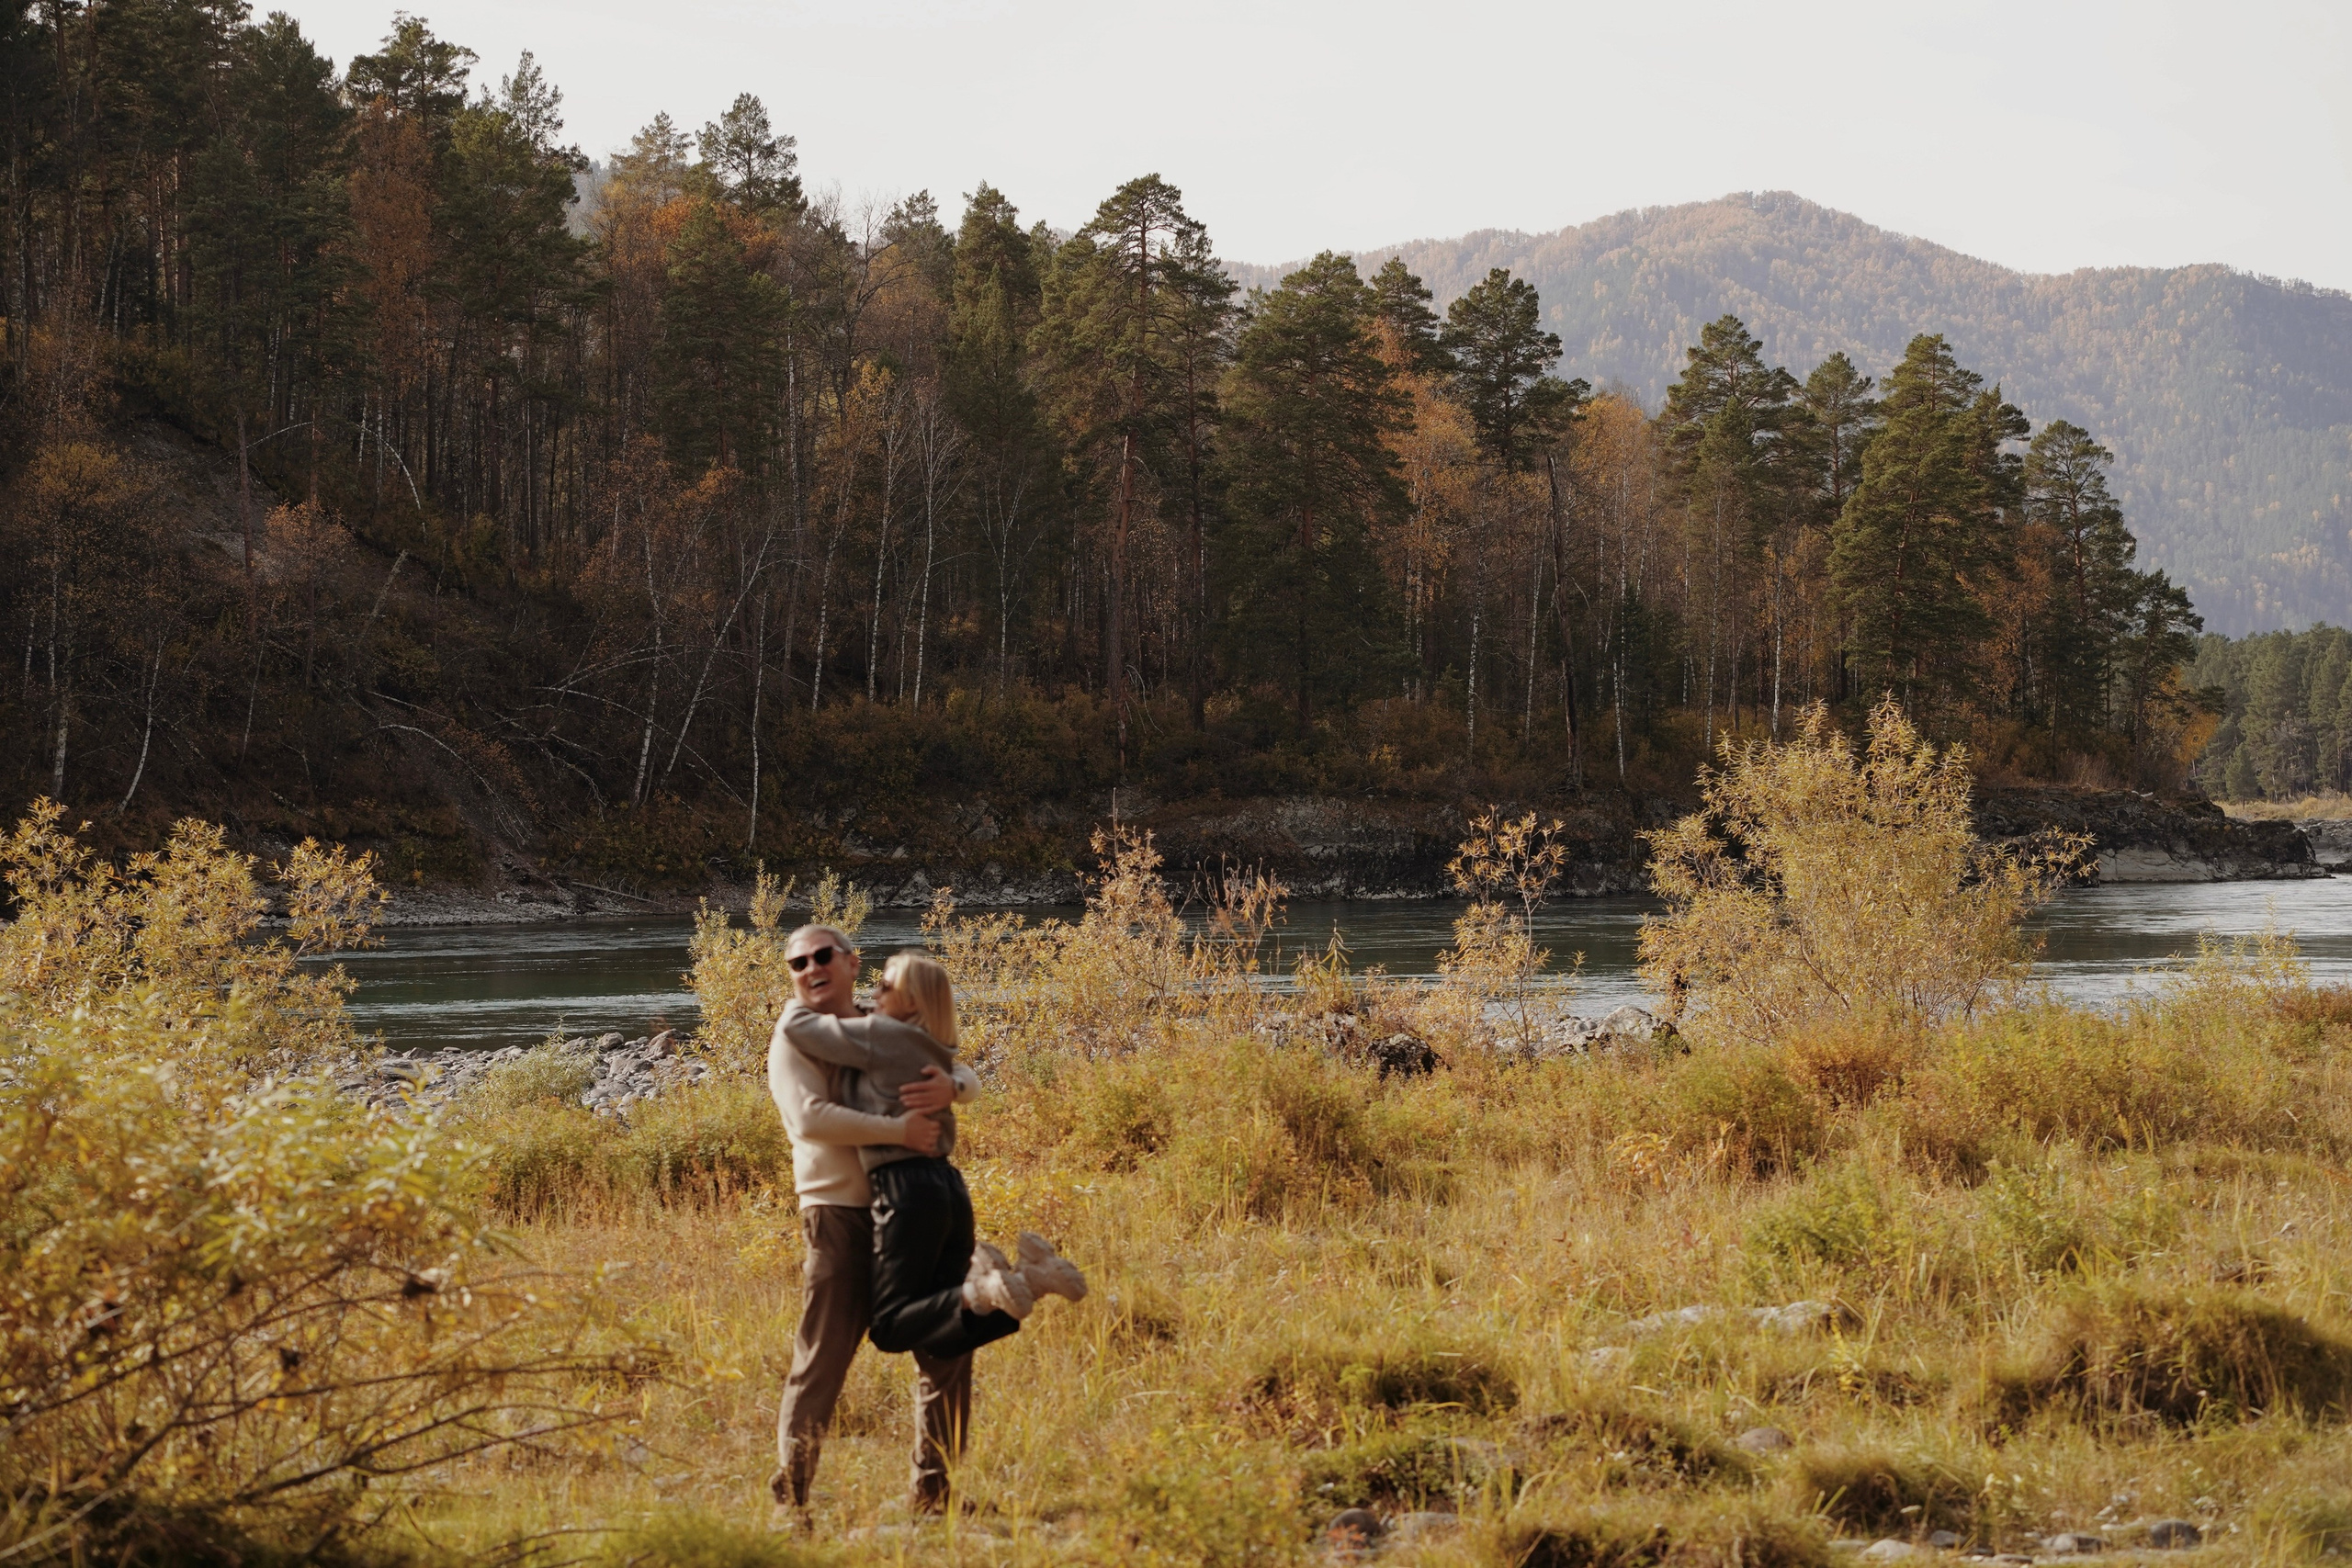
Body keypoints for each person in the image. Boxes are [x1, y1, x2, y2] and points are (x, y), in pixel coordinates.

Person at [765, 923, 975, 1520]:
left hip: (912, 1208)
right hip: (838, 1216)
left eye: (822, 954)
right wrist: (898, 1130)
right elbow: (811, 1119)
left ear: (853, 963)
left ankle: (934, 1498)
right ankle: (792, 1499)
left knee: (947, 1347)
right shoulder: (793, 1036)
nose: (810, 967)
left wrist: (953, 1087)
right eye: (797, 961)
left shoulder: (883, 1023)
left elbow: (955, 1066)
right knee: (823, 1357)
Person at [783, 952, 1087, 1359]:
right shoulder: (934, 1044)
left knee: (890, 1327)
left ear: (912, 1000)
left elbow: (799, 1029)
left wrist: (797, 991)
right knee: (945, 1329)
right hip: (947, 1186)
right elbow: (964, 1076)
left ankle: (984, 1286)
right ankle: (1031, 1278)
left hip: (904, 1188)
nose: (875, 993)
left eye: (886, 987)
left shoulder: (880, 1035)